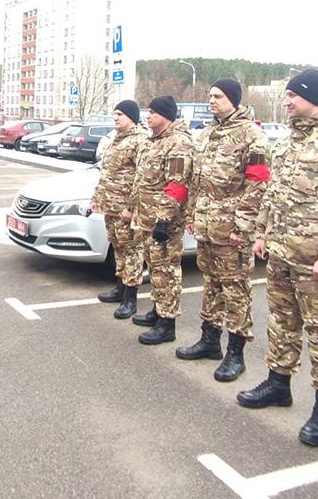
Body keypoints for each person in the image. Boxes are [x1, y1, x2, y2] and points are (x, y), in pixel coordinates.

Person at [235, 69, 318, 447]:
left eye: (293, 95)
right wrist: (262, 233)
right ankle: (278, 385)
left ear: (313, 97)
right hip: (282, 253)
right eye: (287, 95)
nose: (288, 101)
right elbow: (273, 193)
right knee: (281, 323)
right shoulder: (289, 140)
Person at [179, 79, 270, 382]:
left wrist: (242, 226)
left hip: (232, 229)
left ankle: (236, 353)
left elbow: (258, 184)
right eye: (210, 95)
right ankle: (209, 341)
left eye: (217, 96)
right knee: (212, 284)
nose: (211, 100)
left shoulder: (252, 136)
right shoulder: (207, 133)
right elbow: (196, 179)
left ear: (233, 99)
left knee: (236, 290)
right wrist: (192, 213)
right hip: (207, 225)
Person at [129, 95, 194, 345]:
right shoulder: (155, 141)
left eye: (153, 113)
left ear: (166, 116)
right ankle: (157, 312)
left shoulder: (178, 143)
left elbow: (177, 185)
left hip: (163, 223)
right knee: (155, 269)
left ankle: (167, 324)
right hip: (148, 219)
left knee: (166, 271)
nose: (148, 116)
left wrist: (164, 220)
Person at [91, 100, 149, 319]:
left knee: (132, 250)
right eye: (114, 114)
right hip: (111, 206)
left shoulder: (140, 140)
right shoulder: (116, 139)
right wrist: (97, 200)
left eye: (120, 114)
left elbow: (142, 178)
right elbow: (106, 174)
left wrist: (132, 208)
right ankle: (120, 288)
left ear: (131, 117)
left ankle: (130, 298)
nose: (115, 118)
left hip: (126, 209)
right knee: (118, 247)